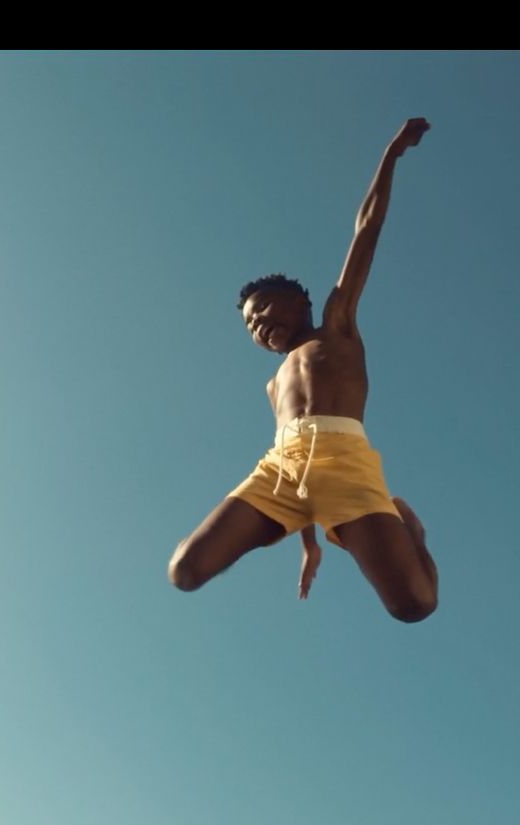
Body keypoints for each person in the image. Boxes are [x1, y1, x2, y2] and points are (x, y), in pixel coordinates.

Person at [167, 117, 439, 623]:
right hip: (280, 471)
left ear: (300, 302)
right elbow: (298, 465)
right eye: (250, 324)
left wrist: (392, 153)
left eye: (266, 309)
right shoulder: (274, 384)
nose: (259, 324)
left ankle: (410, 530)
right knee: (186, 569)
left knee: (415, 605)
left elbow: (368, 228)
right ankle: (290, 530)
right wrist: (306, 539)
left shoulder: (336, 326)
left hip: (346, 464)